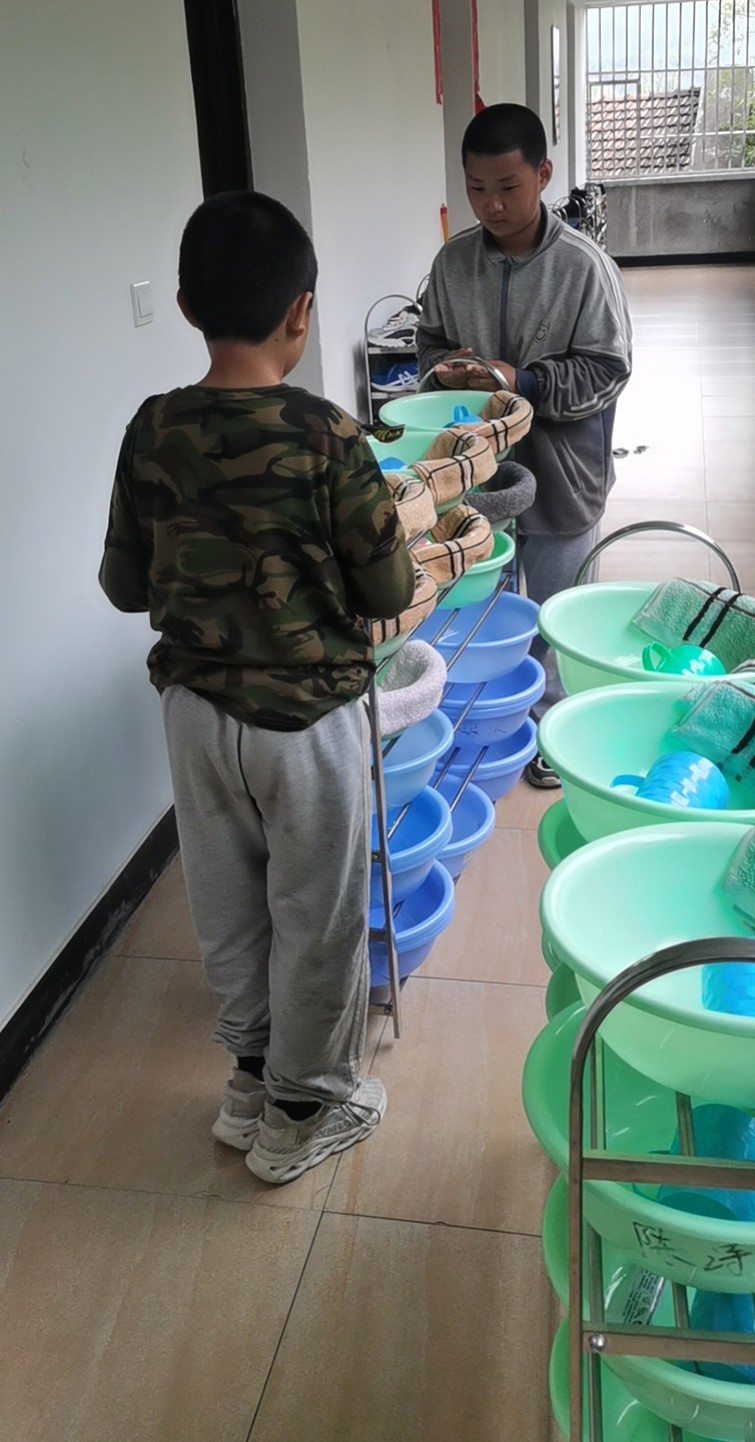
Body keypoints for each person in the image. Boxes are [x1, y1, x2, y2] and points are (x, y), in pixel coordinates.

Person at [99, 192, 415, 1185]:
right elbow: (388, 590)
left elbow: (123, 587)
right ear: (302, 310)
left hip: (194, 718)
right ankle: (301, 1112)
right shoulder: (328, 435)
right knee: (316, 917)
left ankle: (247, 1083)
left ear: (187, 307)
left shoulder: (153, 430)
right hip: (306, 723)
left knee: (229, 908)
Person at [417, 103, 632, 787]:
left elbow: (608, 368)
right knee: (484, 601)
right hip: (480, 474)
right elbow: (429, 343)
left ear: (542, 174)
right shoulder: (453, 263)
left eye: (508, 187)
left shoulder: (583, 267)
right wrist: (446, 370)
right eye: (476, 188)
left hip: (563, 473)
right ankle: (494, 720)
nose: (492, 204)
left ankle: (554, 729)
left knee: (559, 612)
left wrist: (524, 382)